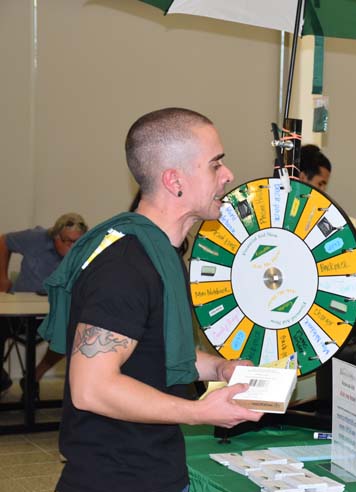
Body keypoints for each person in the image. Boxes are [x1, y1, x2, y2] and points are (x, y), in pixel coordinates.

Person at [38, 108, 263, 492]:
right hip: (116, 480)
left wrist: (220, 369)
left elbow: (158, 352)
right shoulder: (125, 266)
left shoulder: (160, 255)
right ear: (174, 180)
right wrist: (198, 412)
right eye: (215, 165)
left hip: (153, 472)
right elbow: (92, 387)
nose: (228, 175)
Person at [0, 213, 88, 395]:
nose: (73, 247)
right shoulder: (35, 238)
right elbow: (3, 241)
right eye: (68, 241)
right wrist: (2, 277)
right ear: (55, 236)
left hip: (53, 314)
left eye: (77, 242)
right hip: (20, 311)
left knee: (71, 333)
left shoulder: (84, 251)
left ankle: (34, 377)